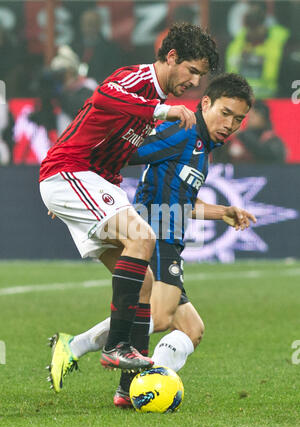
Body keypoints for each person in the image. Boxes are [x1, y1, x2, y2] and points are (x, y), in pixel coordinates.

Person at [47, 73, 256, 407]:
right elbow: (126, 152)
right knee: (158, 315)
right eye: (225, 112)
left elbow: (183, 202)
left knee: (192, 330)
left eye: (238, 119)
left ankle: (129, 390)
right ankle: (83, 351)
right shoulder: (182, 133)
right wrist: (76, 190)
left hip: (170, 237)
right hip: (155, 234)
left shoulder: (202, 146)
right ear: (205, 103)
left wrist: (224, 212)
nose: (230, 124)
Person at [40, 23, 220, 391]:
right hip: (70, 171)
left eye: (202, 76)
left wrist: (80, 202)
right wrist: (162, 110)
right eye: (193, 71)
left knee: (148, 282)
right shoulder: (137, 79)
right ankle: (116, 346)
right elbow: (103, 97)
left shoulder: (151, 102)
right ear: (172, 57)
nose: (195, 82)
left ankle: (131, 382)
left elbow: (114, 148)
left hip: (91, 182)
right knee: (143, 238)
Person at [225, 2, 290, 99]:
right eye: (251, 25)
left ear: (265, 22)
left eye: (258, 23)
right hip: (241, 98)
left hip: (270, 97)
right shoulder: (237, 43)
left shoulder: (280, 38)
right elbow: (231, 74)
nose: (254, 30)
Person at [212, 99, 286, 164]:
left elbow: (266, 155)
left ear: (264, 119)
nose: (250, 119)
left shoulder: (272, 140)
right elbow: (219, 161)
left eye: (255, 115)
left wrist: (241, 134)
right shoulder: (237, 140)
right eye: (250, 116)